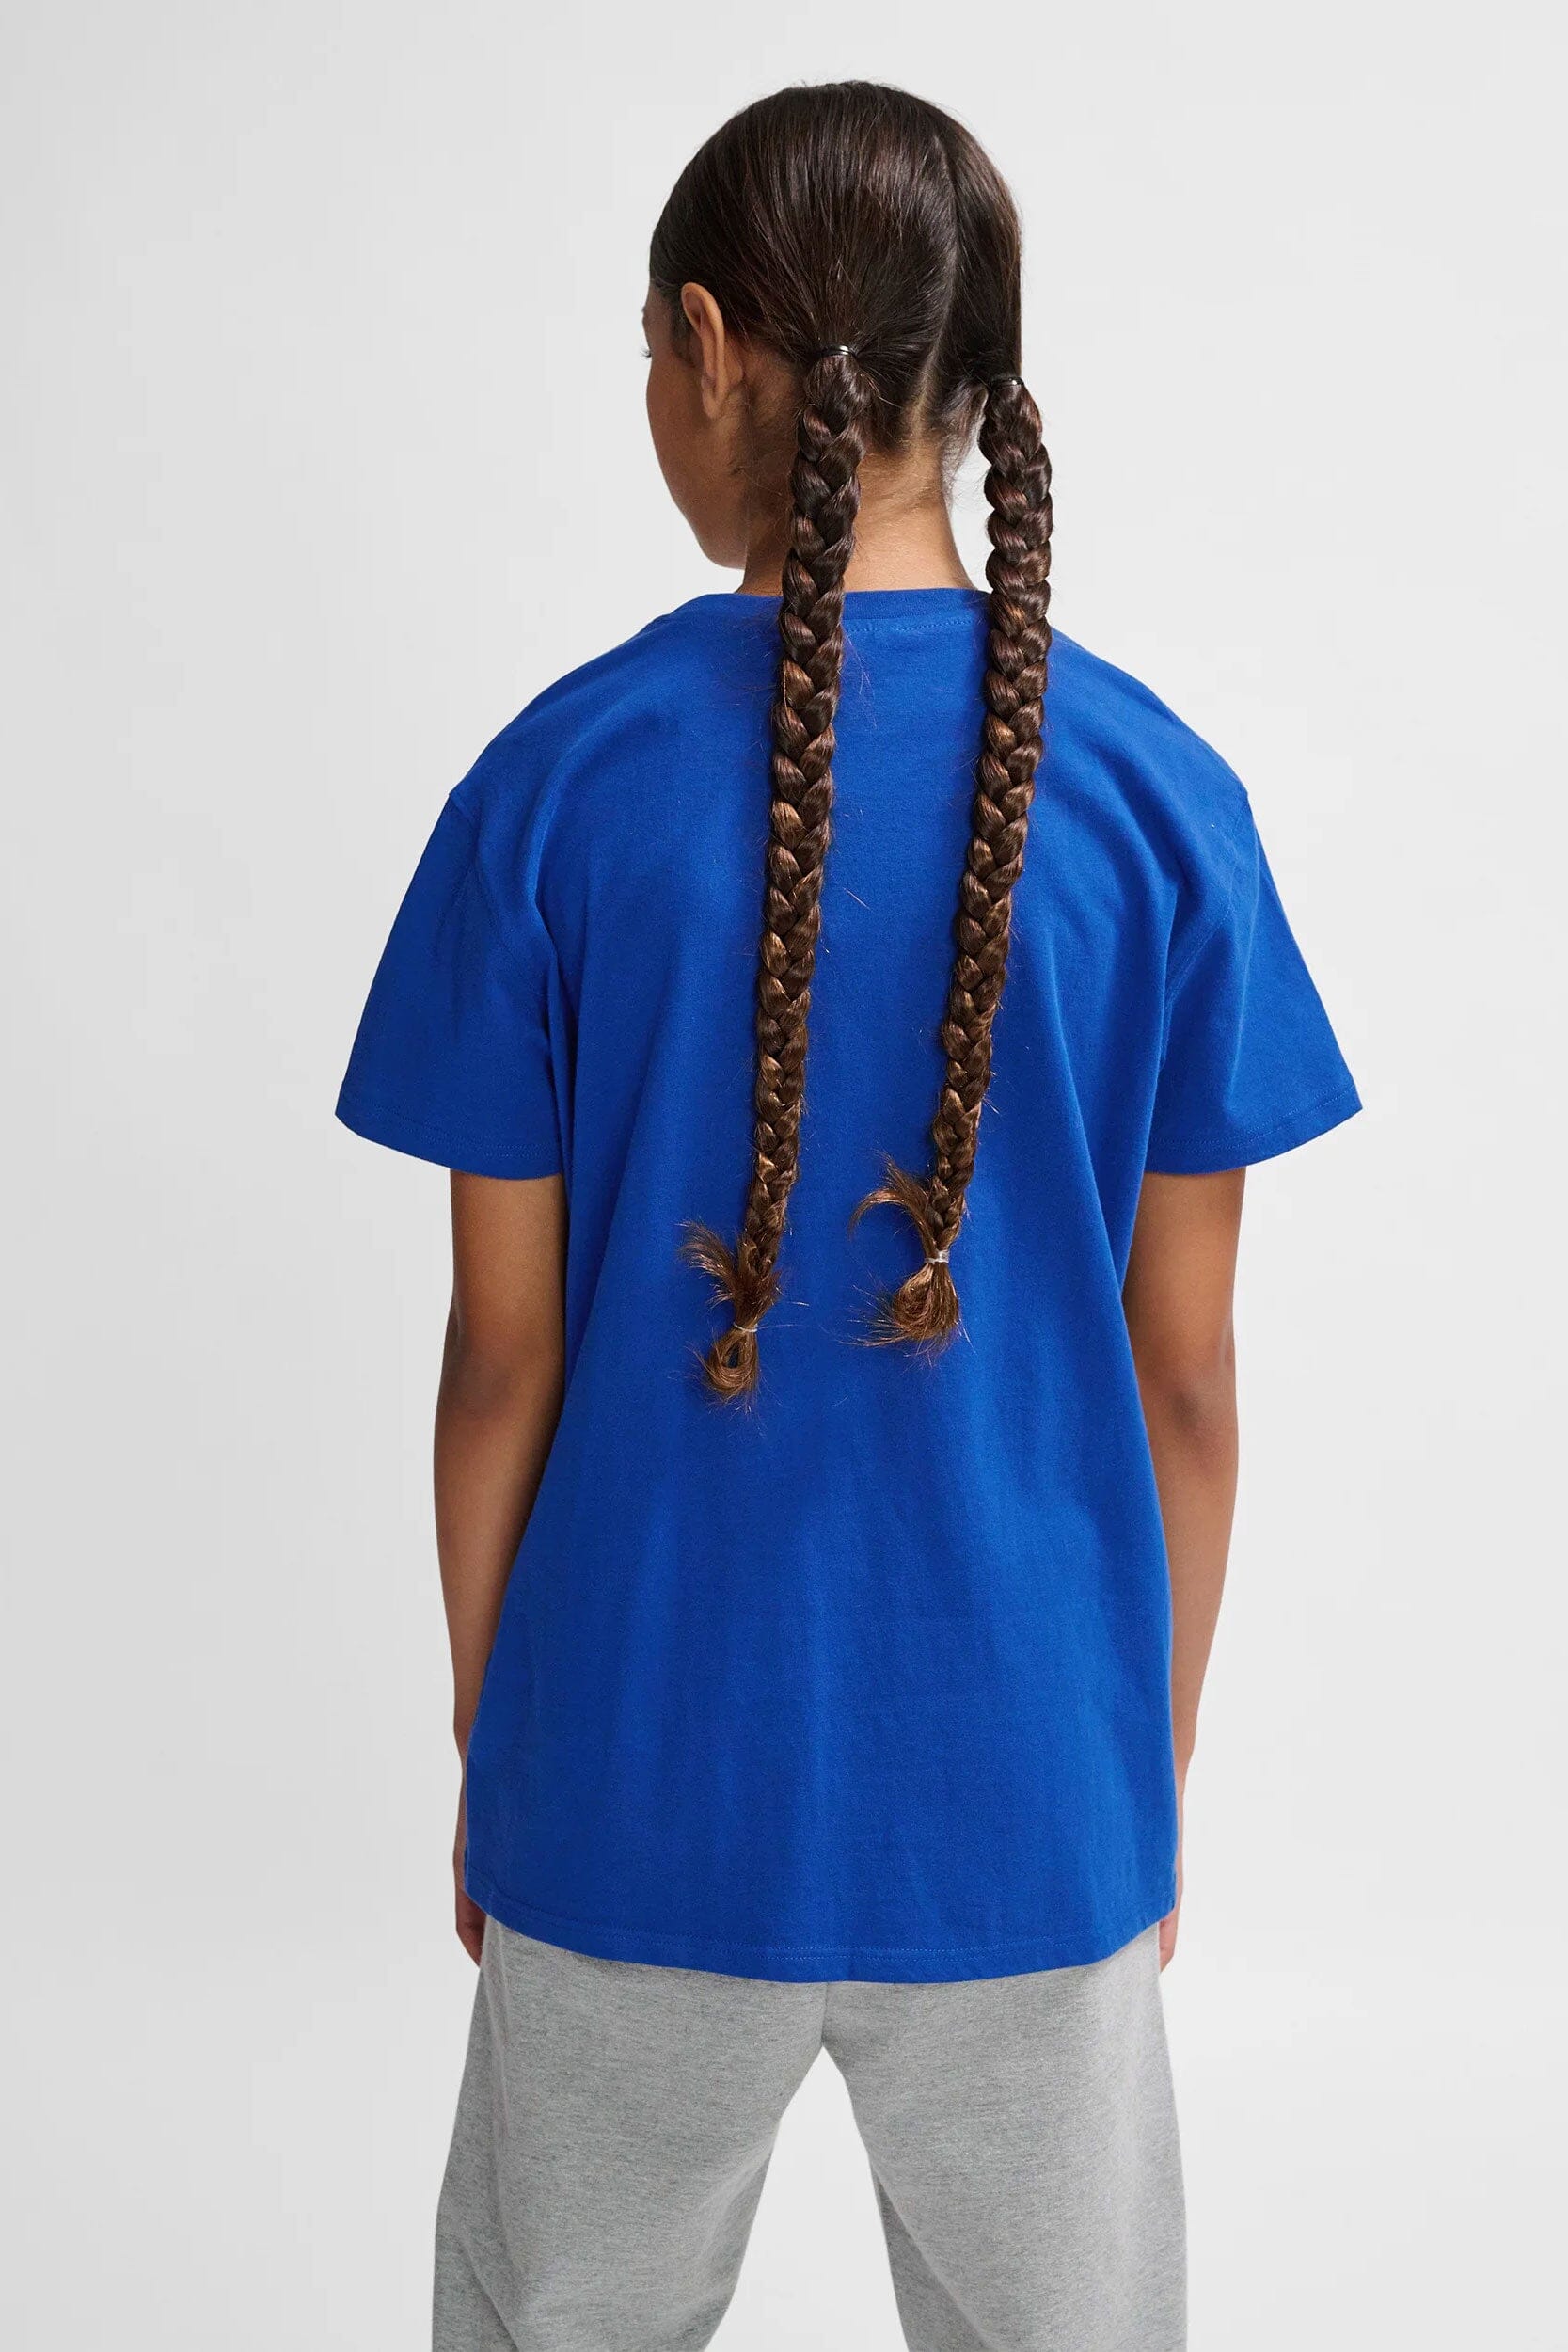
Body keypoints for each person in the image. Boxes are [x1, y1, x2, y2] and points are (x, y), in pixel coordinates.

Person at [337, 79, 1359, 2352]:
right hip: (1031, 1802)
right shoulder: (1165, 807)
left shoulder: (553, 790)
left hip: (631, 1783)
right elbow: (1187, 1376)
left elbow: (501, 1360)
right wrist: (1142, 1774)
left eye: (649, 351)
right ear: (973, 379)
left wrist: (509, 1750)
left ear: (710, 347)